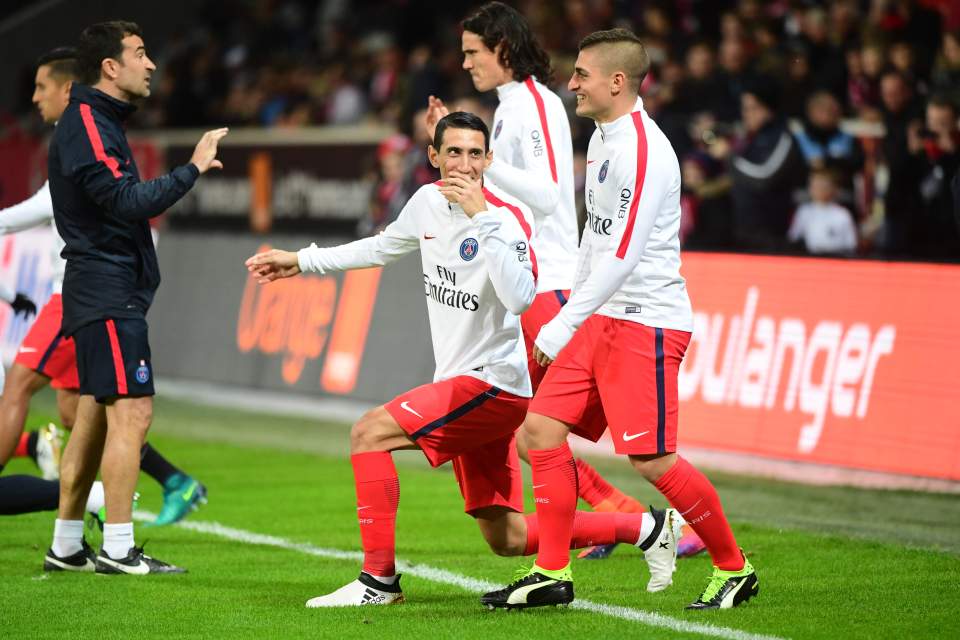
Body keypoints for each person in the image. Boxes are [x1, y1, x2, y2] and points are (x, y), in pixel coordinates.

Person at [246, 111, 680, 608]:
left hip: (495, 385)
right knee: (508, 538)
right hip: (463, 382)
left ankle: (378, 581)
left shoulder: (507, 218)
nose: (465, 163)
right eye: (454, 152)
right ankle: (645, 527)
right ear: (433, 157)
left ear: (489, 160)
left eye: (476, 153)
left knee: (369, 432)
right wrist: (302, 260)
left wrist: (483, 220)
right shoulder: (427, 203)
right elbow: (384, 247)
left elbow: (519, 299)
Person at [485, 29, 759, 611]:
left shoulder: (642, 148)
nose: (573, 83)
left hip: (646, 323)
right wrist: (577, 312)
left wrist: (561, 324)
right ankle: (550, 572)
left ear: (617, 81)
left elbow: (625, 252)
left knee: (652, 459)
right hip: (600, 317)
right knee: (539, 431)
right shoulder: (606, 138)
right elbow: (594, 242)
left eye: (582, 74)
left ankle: (734, 567)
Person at [426, 0, 705, 562]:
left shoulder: (530, 105)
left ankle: (626, 520)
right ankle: (619, 518)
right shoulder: (515, 106)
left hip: (544, 283)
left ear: (502, 48)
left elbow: (550, 193)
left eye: (473, 52)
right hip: (535, 282)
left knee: (518, 421)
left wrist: (477, 162)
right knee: (523, 425)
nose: (466, 64)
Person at [43, 21, 226, 575]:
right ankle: (119, 549)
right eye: (141, 54)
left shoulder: (95, 121)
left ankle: (68, 543)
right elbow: (125, 201)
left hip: (102, 289)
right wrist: (191, 169)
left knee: (95, 419)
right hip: (106, 289)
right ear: (110, 67)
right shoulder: (89, 122)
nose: (151, 65)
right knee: (134, 412)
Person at [0, 47, 208, 526]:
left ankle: (106, 530)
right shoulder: (81, 139)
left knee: (24, 389)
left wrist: (191, 170)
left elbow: (123, 202)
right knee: (81, 414)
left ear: (69, 89)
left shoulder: (81, 142)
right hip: (89, 296)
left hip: (82, 296)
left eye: (41, 87)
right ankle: (93, 521)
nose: (34, 98)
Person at [787, 169, 858, 256]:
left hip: (838, 258)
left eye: (823, 186)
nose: (818, 189)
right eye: (815, 186)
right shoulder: (804, 211)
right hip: (812, 257)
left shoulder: (842, 214)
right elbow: (794, 237)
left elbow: (851, 244)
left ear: (833, 189)